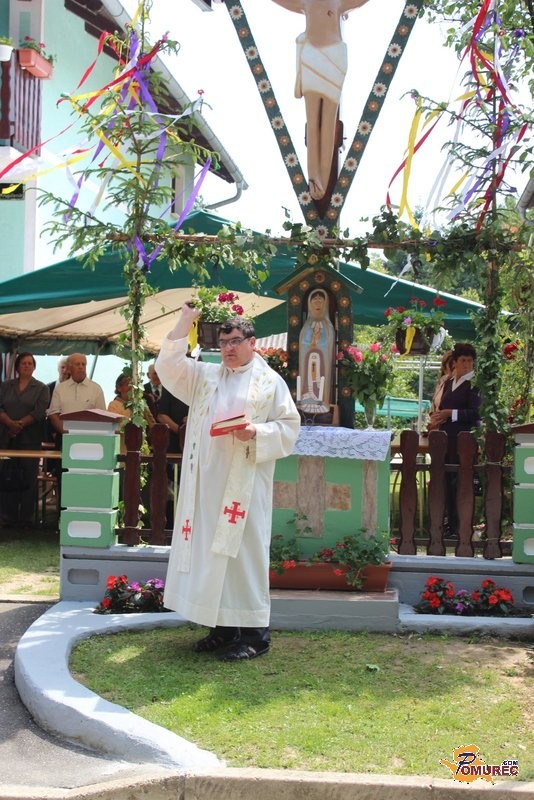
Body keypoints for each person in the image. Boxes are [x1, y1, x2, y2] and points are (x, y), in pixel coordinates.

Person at [155, 304, 300, 661]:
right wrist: (185, 320)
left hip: (243, 488)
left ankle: (255, 635)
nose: (228, 349)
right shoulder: (206, 376)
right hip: (206, 487)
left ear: (252, 342)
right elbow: (168, 366)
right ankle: (221, 629)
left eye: (235, 341)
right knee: (212, 556)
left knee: (243, 557)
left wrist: (256, 432)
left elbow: (288, 427)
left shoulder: (270, 383)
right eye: (223, 343)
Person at [272, 0, 370, 200]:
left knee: (328, 124)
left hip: (334, 58)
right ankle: (314, 177)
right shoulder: (305, 1)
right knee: (313, 123)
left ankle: (322, 180)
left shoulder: (339, 2)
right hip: (311, 58)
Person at [428, 343, 481, 538]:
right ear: (455, 362)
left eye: (470, 361)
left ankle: (463, 526)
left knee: (462, 482)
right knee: (448, 482)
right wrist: (439, 417)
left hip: (464, 440)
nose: (467, 364)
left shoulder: (474, 384)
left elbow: (476, 414)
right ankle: (451, 524)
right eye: (463, 360)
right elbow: (442, 406)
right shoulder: (450, 382)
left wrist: (451, 413)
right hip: (446, 439)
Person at [0, 352, 50, 527]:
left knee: (29, 477)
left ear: (34, 367)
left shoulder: (42, 388)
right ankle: (7, 516)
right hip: (7, 438)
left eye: (30, 363)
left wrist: (19, 424)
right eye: (23, 363)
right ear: (17, 367)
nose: (27, 366)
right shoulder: (6, 386)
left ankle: (27, 517)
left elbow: (40, 411)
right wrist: (10, 424)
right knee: (7, 476)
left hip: (30, 439)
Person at [47, 353, 106, 436]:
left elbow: (102, 416)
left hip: (89, 437)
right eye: (77, 364)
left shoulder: (96, 389)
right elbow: (53, 415)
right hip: (63, 437)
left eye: (83, 364)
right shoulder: (60, 389)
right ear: (69, 368)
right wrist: (67, 433)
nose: (81, 367)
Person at [297, 288, 335, 415]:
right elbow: (303, 344)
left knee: (319, 378)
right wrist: (311, 343)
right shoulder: (307, 325)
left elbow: (328, 345)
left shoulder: (328, 326)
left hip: (321, 361)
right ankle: (307, 398)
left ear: (325, 304)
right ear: (310, 304)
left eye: (320, 301)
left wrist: (318, 342)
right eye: (314, 301)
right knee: (309, 377)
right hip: (309, 361)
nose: (317, 304)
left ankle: (321, 400)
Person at [107, 373, 155, 451]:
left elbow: (152, 424)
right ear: (119, 388)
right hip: (121, 448)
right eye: (127, 384)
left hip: (140, 447)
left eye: (133, 384)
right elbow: (113, 427)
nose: (131, 387)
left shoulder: (141, 403)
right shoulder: (113, 405)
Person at [426, 350, 454, 432]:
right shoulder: (441, 383)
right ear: (445, 368)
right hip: (437, 429)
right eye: (452, 366)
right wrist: (433, 418)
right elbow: (434, 407)